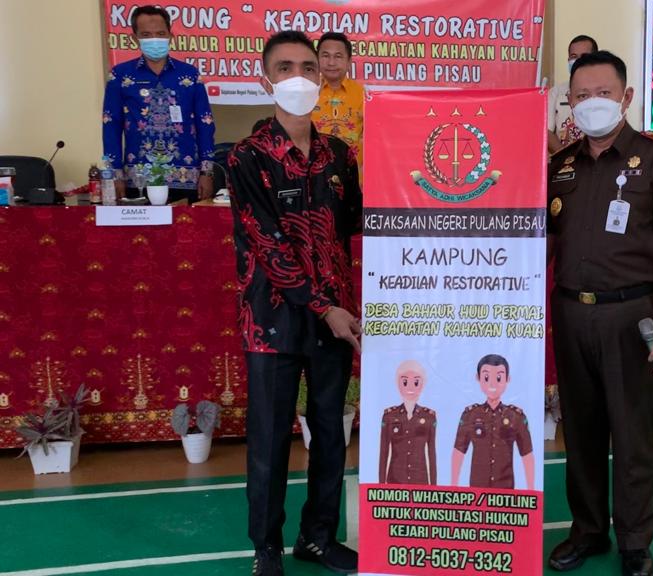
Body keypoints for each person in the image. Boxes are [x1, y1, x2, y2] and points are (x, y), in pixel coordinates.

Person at [546, 51, 653, 576]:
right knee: (581, 431)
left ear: (626, 97)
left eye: (604, 93)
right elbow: (542, 243)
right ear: (570, 103)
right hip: (572, 314)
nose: (593, 103)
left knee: (633, 435)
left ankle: (635, 541)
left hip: (634, 316)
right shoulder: (561, 165)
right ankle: (588, 530)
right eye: (582, 95)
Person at [228, 30, 362, 576]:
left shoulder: (339, 155)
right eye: (285, 68)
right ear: (267, 80)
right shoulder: (246, 157)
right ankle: (266, 547)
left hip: (335, 319)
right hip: (274, 318)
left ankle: (317, 537)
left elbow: (357, 223)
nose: (300, 77)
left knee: (330, 432)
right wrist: (324, 305)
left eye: (309, 66)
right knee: (269, 439)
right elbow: (269, 244)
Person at [101, 5, 215, 204]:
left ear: (171, 36)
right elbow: (111, 125)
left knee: (185, 226)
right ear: (134, 38)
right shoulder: (120, 76)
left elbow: (205, 124)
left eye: (160, 34)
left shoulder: (190, 75)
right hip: (137, 179)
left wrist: (207, 172)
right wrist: (114, 174)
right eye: (146, 34)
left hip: (186, 179)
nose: (154, 39)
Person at [452, 354, 535, 490]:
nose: (492, 384)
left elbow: (527, 455)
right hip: (477, 489)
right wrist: (453, 487)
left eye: (498, 378)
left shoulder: (516, 416)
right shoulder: (470, 415)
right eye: (486, 377)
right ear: (478, 378)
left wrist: (531, 489)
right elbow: (458, 452)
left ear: (507, 379)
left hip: (505, 488)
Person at [379, 360, 438, 485]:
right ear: (398, 384)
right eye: (405, 382)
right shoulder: (389, 416)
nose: (410, 388)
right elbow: (383, 453)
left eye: (416, 382)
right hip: (395, 480)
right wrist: (381, 486)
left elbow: (432, 454)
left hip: (420, 481)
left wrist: (434, 487)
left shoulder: (429, 417)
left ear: (423, 384)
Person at [313, 32, 364, 176]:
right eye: (325, 56)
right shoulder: (307, 92)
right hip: (314, 176)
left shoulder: (362, 95)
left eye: (338, 56)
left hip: (352, 177)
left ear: (349, 62)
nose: (331, 63)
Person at [548, 35, 598, 154]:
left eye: (584, 56)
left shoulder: (604, 92)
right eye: (573, 56)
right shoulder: (556, 92)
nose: (578, 61)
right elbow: (547, 131)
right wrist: (567, 157)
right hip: (563, 158)